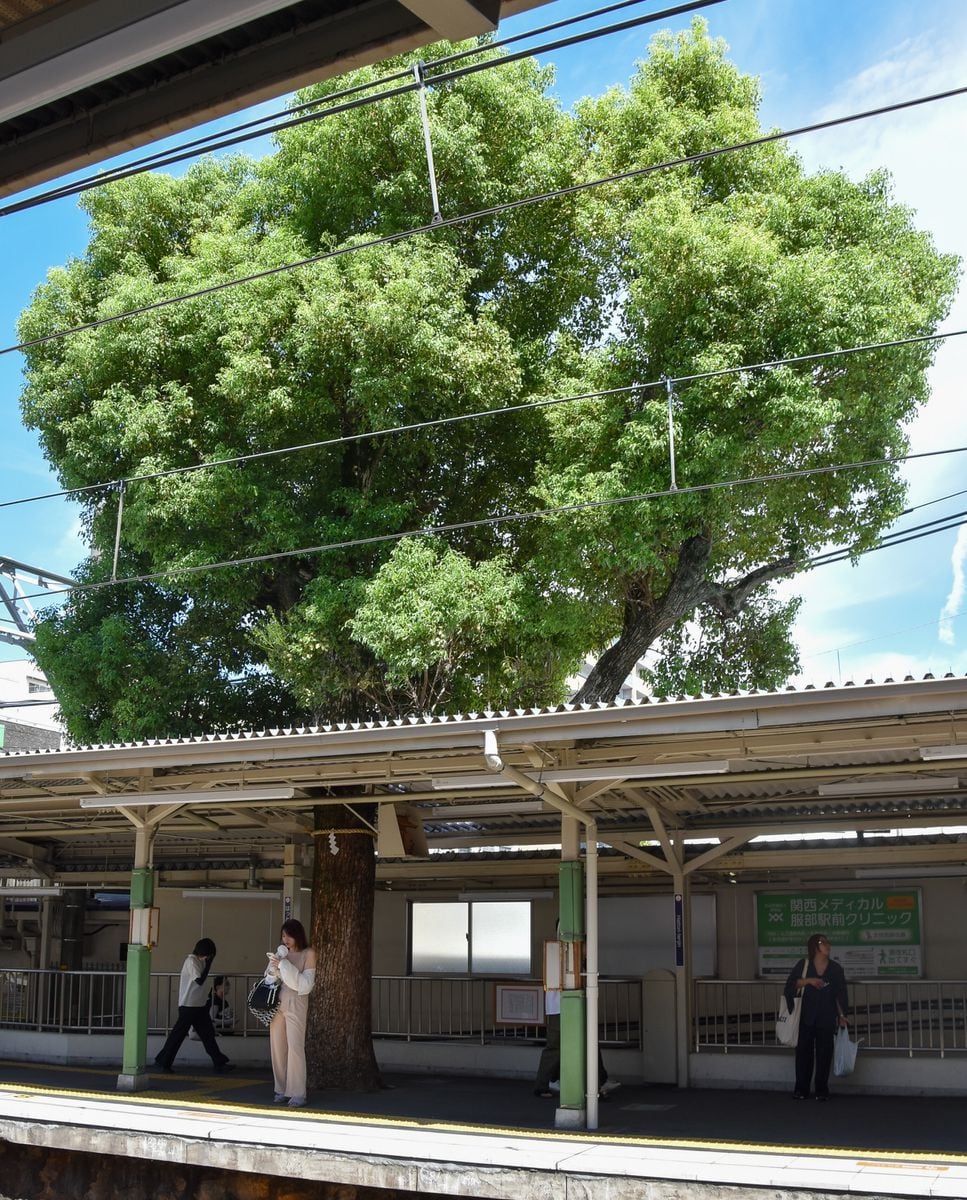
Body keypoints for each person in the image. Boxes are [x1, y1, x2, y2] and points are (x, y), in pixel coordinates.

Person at [784, 932, 848, 1101]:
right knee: (803, 1052)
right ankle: (801, 1089)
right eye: (823, 942)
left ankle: (821, 1089)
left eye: (828, 942)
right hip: (805, 1016)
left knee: (824, 1053)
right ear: (814, 946)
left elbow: (839, 995)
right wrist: (809, 981)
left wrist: (842, 1015)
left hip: (826, 1016)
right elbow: (791, 984)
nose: (827, 945)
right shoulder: (803, 965)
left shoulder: (835, 969)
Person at [154, 938, 234, 1074]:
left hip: (198, 1005)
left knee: (207, 1034)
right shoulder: (191, 961)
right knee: (178, 1036)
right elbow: (199, 980)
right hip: (189, 1005)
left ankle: (219, 1062)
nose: (208, 958)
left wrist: (207, 964)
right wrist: (209, 965)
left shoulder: (197, 962)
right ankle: (163, 1061)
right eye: (209, 954)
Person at [533, 985, 619, 1100]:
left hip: (562, 1004)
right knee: (584, 1043)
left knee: (563, 1045)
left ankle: (598, 1082)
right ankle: (596, 1085)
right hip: (570, 1003)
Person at [266, 918, 317, 1107]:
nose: (285, 940)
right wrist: (274, 967)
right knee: (277, 1048)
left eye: (289, 936)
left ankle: (297, 1092)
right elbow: (270, 978)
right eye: (283, 936)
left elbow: (305, 985)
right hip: (277, 1001)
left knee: (295, 1047)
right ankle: (280, 1089)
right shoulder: (282, 954)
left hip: (297, 1001)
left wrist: (283, 966)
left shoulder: (308, 953)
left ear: (297, 935)